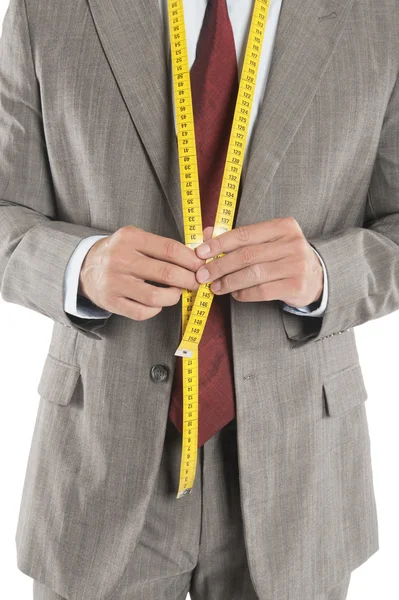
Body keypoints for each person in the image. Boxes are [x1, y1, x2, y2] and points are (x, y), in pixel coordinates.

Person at [1, 0, 397, 597]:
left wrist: (326, 273)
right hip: (99, 462)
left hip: (302, 472)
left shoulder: (380, 17)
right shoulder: (49, 10)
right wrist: (78, 266)